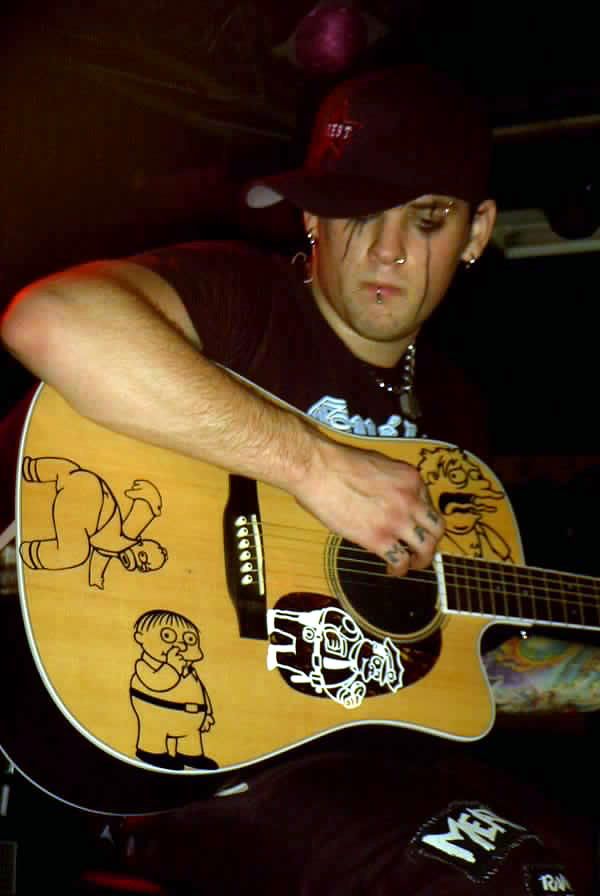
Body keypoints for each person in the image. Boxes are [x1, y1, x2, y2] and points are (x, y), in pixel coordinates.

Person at [0, 64, 595, 894]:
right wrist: (314, 465)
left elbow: (445, 667)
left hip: (346, 763)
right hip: (182, 765)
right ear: (312, 213)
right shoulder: (244, 297)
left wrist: (578, 674)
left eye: (425, 220)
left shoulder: (458, 416)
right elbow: (50, 320)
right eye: (359, 213)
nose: (387, 250)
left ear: (475, 231)